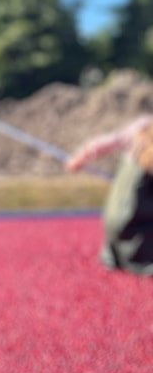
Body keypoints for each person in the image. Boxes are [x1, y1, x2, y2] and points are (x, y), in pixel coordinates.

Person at [66, 115, 153, 275]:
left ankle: (115, 256)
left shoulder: (141, 126)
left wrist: (79, 158)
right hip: (137, 224)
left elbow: (102, 144)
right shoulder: (145, 132)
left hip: (114, 225)